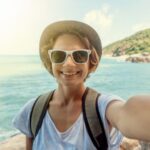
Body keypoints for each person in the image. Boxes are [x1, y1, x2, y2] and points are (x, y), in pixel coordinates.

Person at [13, 20, 150, 150]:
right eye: (59, 55)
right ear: (51, 61)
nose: (68, 63)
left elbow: (128, 113)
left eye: (79, 55)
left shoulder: (102, 108)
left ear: (90, 63)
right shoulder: (32, 111)